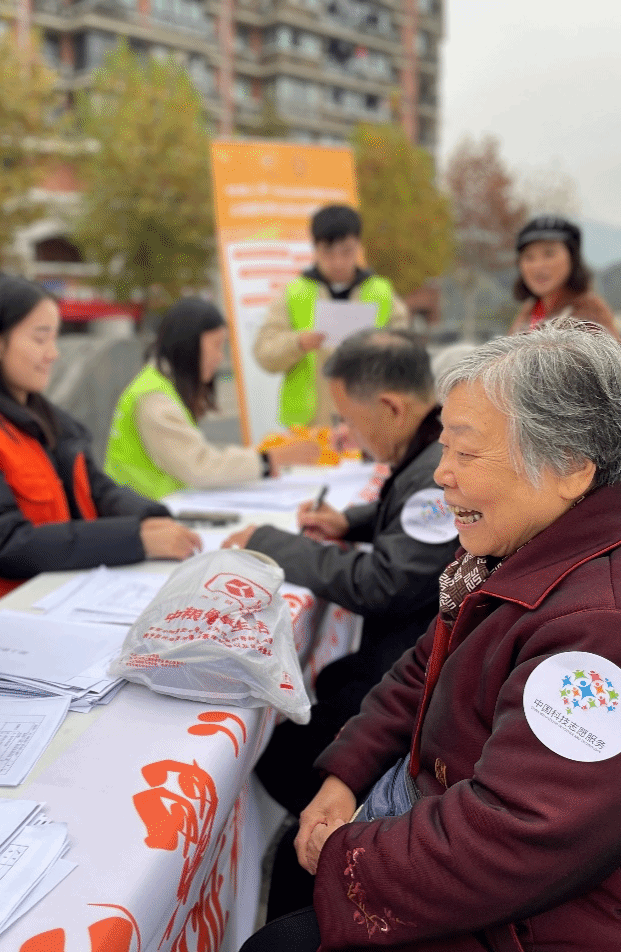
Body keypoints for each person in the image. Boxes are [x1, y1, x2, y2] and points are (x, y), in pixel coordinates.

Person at [243, 322, 621, 952]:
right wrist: (345, 775)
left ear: (569, 467)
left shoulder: (612, 635)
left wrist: (350, 853)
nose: (441, 475)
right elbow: (426, 664)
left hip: (566, 927)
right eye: (444, 448)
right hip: (508, 880)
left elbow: (513, 837)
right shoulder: (531, 541)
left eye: (468, 453)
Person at [223, 330, 459, 917]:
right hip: (408, 665)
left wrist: (273, 542)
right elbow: (406, 521)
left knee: (274, 748)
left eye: (348, 420)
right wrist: (350, 522)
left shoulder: (434, 469)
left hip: (412, 680)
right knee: (314, 700)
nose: (344, 436)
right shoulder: (430, 451)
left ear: (392, 408)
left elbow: (385, 581)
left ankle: (334, 852)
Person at [0, 272, 200, 608]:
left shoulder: (50, 420)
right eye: (40, 339)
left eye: (55, 338)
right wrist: (134, 539)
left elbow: (98, 490)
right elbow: (3, 543)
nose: (53, 353)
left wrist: (152, 517)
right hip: (9, 610)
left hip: (66, 595)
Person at [105, 298, 320, 499]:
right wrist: (268, 459)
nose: (220, 357)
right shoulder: (154, 399)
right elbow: (199, 466)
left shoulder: (160, 384)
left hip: (154, 505)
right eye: (216, 345)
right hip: (144, 511)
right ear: (189, 345)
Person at [254, 205, 409, 429]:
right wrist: (298, 343)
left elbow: (407, 352)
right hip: (310, 426)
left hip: (371, 421)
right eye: (328, 252)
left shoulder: (381, 292)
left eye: (346, 252)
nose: (338, 262)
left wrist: (381, 346)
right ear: (315, 248)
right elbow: (264, 354)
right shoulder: (293, 293)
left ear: (359, 246)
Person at [508, 215, 621, 340]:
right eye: (529, 257)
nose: (538, 266)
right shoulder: (530, 310)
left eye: (549, 254)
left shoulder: (589, 315)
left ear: (572, 258)